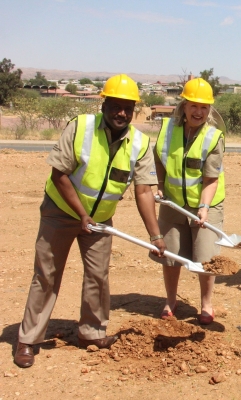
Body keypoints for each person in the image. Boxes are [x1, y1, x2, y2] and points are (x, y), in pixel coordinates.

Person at [14, 74, 165, 368]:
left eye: (128, 108)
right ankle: (28, 340)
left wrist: (156, 236)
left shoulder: (140, 144)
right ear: (104, 104)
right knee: (47, 275)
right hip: (60, 213)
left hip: (100, 221)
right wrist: (82, 215)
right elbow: (59, 175)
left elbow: (144, 190)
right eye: (116, 106)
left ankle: (91, 333)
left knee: (98, 277)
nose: (122, 113)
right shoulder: (80, 128)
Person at [151, 78, 225, 325]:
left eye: (204, 107)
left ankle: (206, 304)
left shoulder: (213, 137)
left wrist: (204, 207)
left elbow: (211, 179)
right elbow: (160, 160)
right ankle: (170, 300)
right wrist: (160, 186)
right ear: (183, 106)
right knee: (171, 255)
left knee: (205, 258)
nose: (198, 112)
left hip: (205, 203)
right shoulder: (167, 130)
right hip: (173, 203)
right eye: (194, 105)